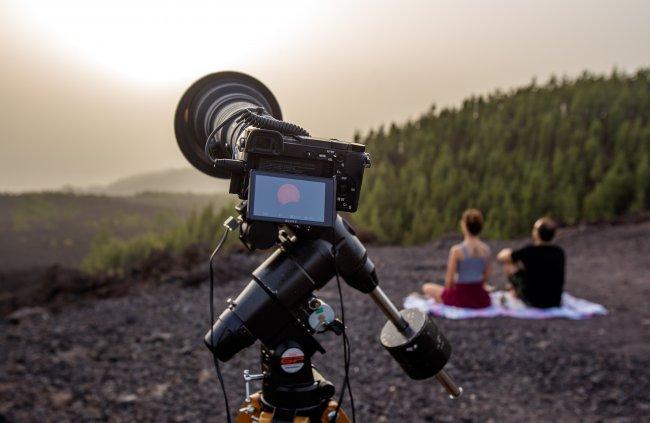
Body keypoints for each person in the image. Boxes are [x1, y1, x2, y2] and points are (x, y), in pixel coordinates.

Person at [422, 209, 492, 309]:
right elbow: (485, 278)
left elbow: (449, 281)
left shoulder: (456, 251)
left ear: (464, 225)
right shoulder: (486, 250)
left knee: (427, 287)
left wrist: (449, 292)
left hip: (462, 297)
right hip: (480, 298)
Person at [497, 217, 565, 308]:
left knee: (509, 265)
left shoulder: (529, 251)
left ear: (536, 234)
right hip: (555, 300)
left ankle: (516, 292)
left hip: (534, 300)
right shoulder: (559, 252)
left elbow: (502, 257)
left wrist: (508, 251)